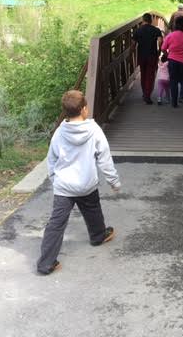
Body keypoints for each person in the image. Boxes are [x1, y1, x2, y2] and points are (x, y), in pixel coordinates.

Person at [37, 90, 121, 275]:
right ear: (84, 109)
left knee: (56, 224)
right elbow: (104, 158)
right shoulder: (94, 130)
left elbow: (51, 159)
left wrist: (54, 180)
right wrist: (113, 181)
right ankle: (98, 236)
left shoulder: (59, 132)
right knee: (92, 208)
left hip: (64, 186)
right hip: (86, 183)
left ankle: (46, 263)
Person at [132, 12, 163, 104]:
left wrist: (131, 54)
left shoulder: (137, 31)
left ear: (143, 20)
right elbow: (161, 41)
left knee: (143, 74)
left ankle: (144, 93)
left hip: (141, 55)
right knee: (150, 75)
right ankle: (147, 95)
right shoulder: (156, 30)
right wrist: (159, 50)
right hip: (152, 55)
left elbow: (133, 44)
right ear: (151, 20)